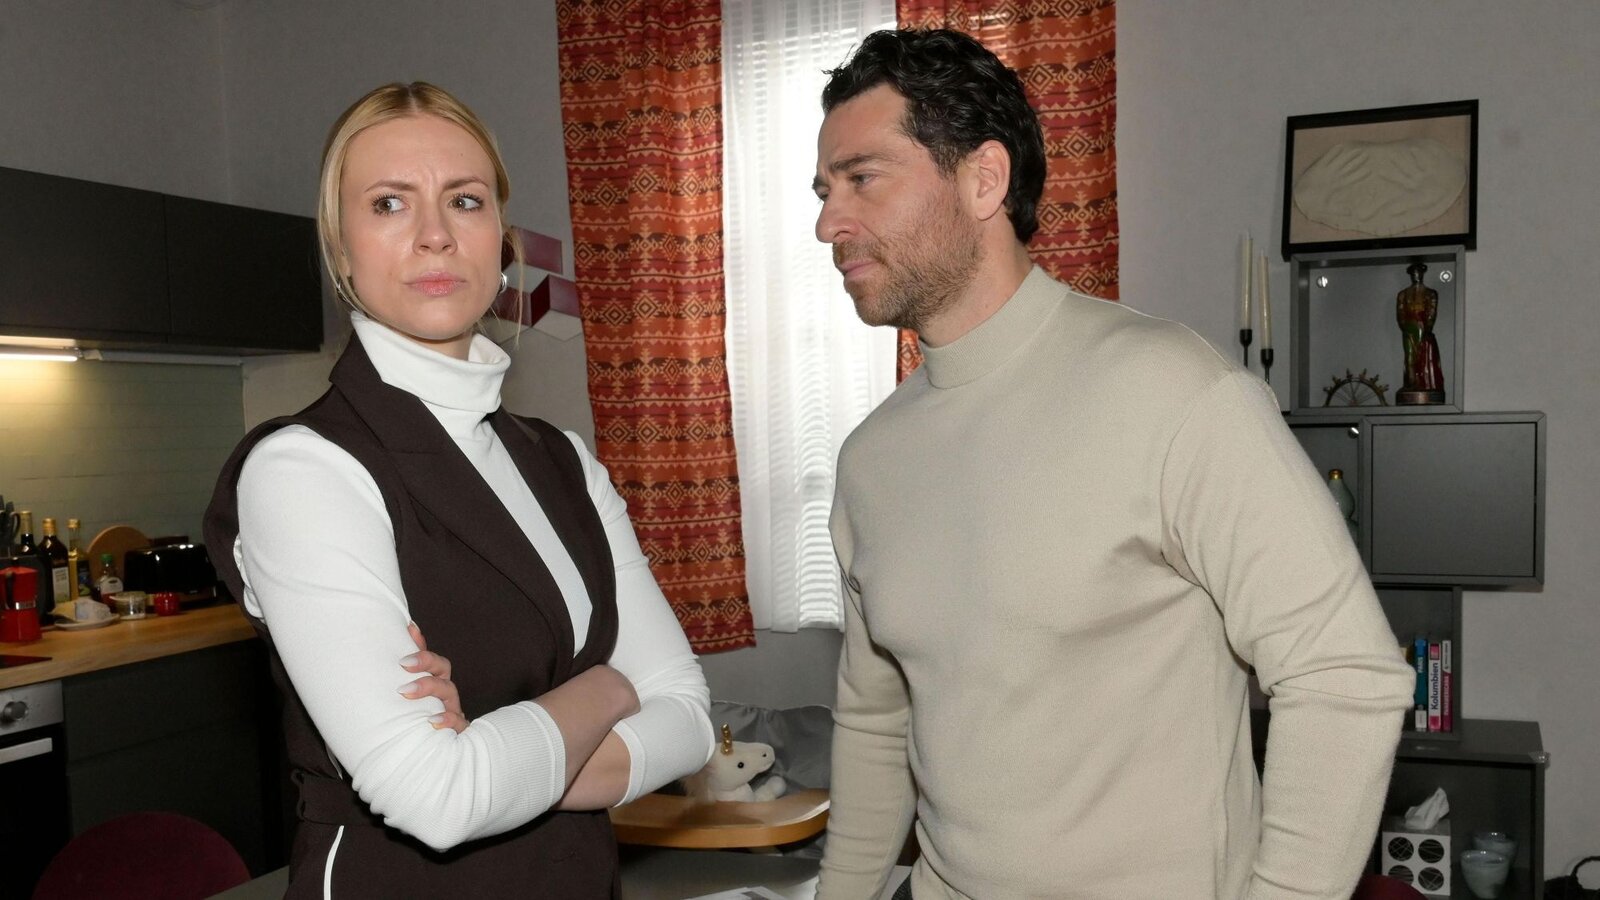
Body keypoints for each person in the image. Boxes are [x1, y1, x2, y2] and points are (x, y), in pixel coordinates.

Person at [810, 30, 1417, 900]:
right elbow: (877, 718)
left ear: (984, 179)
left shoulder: (1175, 391)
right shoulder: (870, 460)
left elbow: (1344, 674)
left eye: (862, 179)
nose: (828, 223)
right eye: (824, 191)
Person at [203, 82, 715, 897]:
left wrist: (490, 754)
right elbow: (438, 800)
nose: (435, 234)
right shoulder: (305, 469)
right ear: (341, 250)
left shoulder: (563, 460)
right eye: (389, 203)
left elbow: (688, 719)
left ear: (499, 238)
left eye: (464, 200)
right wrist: (611, 688)